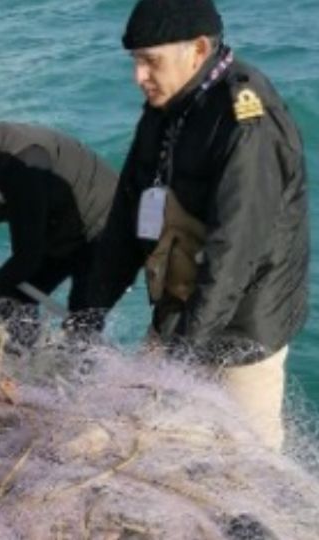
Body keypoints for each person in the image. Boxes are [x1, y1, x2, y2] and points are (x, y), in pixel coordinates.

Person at [84, 0, 309, 451]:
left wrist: (180, 361)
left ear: (199, 49)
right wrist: (87, 313)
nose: (138, 77)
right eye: (135, 62)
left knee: (250, 458)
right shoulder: (166, 108)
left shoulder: (247, 122)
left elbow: (234, 256)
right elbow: (127, 221)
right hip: (180, 308)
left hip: (246, 327)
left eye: (150, 62)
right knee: (141, 432)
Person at [0, 88, 118, 331]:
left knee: (81, 322)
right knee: (11, 305)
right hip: (56, 221)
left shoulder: (21, 163)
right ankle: (22, 359)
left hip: (105, 223)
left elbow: (28, 256)